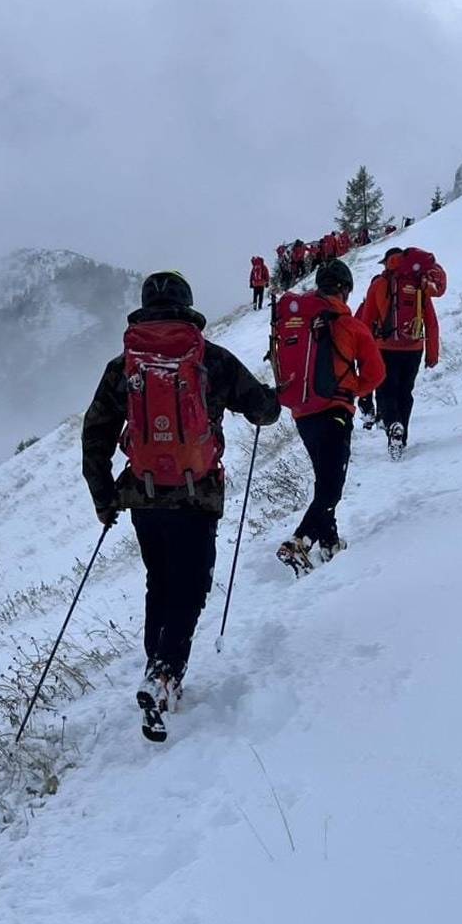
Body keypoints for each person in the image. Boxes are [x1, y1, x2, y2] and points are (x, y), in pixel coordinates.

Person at [82, 271, 280, 738]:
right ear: (188, 307)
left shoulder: (123, 367)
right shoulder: (210, 360)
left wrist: (103, 496)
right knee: (191, 585)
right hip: (198, 492)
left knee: (161, 580)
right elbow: (263, 411)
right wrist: (271, 399)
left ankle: (157, 664)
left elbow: (96, 434)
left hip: (144, 494)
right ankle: (165, 672)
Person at [274, 259, 385, 574]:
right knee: (332, 486)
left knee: (325, 478)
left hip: (301, 412)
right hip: (335, 410)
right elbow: (376, 373)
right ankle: (300, 541)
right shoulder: (349, 324)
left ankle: (330, 542)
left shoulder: (297, 320)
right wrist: (353, 393)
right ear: (345, 290)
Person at [357, 247, 447, 457]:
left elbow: (366, 321)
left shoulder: (378, 285)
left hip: (384, 348)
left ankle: (392, 427)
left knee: (386, 392)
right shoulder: (419, 284)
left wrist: (363, 354)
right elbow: (431, 322)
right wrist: (432, 354)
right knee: (405, 393)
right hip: (413, 348)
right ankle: (401, 437)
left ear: (388, 262)